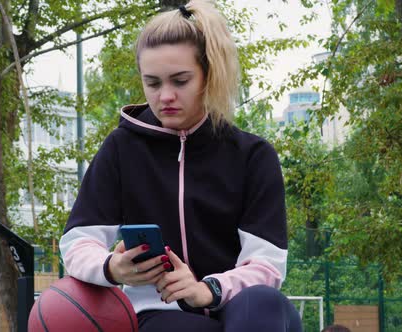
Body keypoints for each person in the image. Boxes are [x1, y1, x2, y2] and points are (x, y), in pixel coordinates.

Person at [59, 0, 302, 331]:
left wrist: (206, 290)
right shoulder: (121, 148)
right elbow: (78, 241)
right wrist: (111, 266)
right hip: (160, 312)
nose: (165, 96)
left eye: (180, 80)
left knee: (264, 303)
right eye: (153, 83)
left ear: (208, 75)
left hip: (237, 306)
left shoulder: (253, 156)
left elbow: (266, 264)